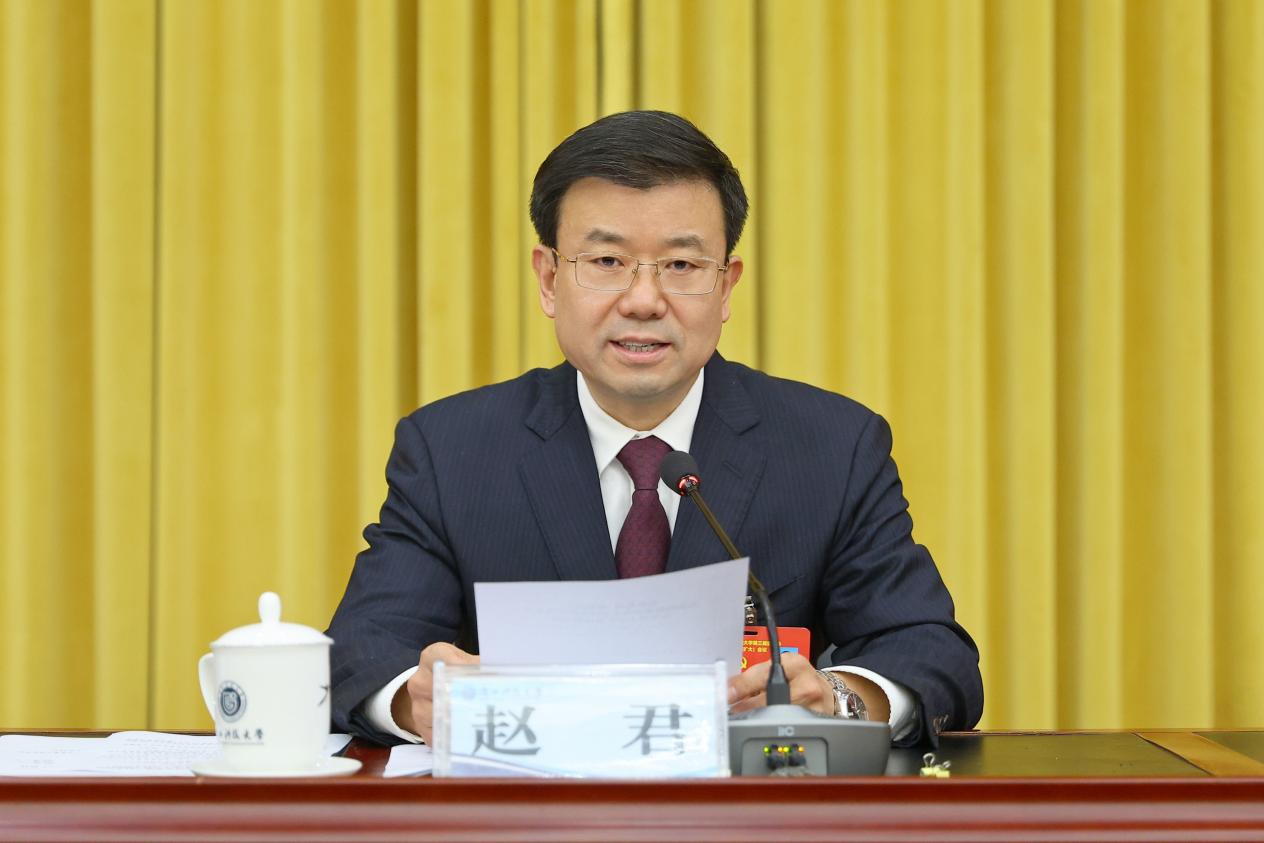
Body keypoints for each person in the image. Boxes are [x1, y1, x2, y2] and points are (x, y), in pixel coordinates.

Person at [327, 110, 983, 748]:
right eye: (607, 261)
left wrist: (836, 698)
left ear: (726, 287)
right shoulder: (453, 450)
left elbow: (931, 652)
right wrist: (417, 700)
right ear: (550, 279)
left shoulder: (831, 447)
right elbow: (362, 649)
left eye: (681, 266)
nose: (643, 300)